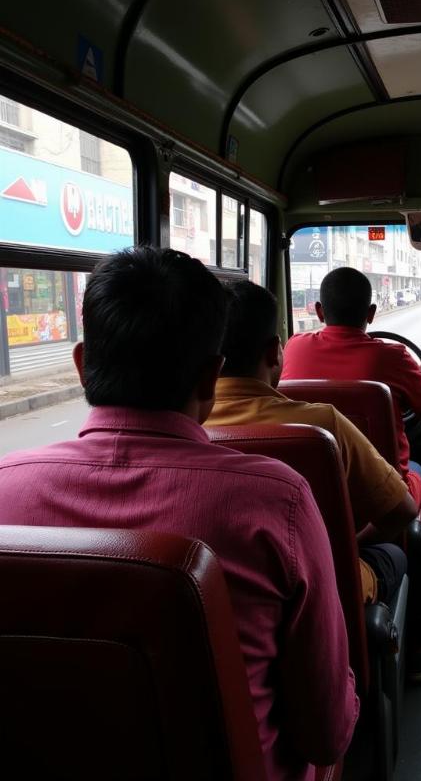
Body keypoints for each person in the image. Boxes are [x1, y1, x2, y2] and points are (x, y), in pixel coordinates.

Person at [0, 248, 357, 780]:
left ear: (81, 363)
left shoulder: (6, 487)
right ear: (212, 375)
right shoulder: (275, 500)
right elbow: (326, 731)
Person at [206, 280, 421, 681]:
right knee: (411, 496)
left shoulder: (189, 426)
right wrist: (353, 538)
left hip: (226, 590)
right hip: (333, 572)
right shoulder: (324, 424)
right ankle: (417, 647)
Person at [282, 266, 421, 509]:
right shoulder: (393, 357)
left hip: (314, 494)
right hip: (380, 502)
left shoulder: (294, 347)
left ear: (319, 312)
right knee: (418, 469)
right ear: (371, 313)